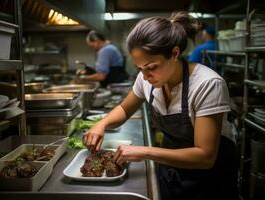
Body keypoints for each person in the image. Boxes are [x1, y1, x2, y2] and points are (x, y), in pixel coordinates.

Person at [83, 11, 239, 200]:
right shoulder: (146, 79)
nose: (145, 76)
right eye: (140, 69)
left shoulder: (207, 85)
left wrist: (146, 151)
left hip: (210, 181)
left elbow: (205, 156)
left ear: (174, 53)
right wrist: (102, 124)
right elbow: (124, 109)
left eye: (151, 67)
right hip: (171, 169)